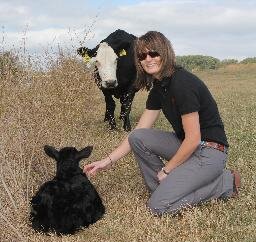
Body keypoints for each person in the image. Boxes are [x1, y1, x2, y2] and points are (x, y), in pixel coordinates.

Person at [84, 31, 241, 216]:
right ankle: (165, 189)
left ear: (165, 52)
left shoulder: (182, 84)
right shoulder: (159, 86)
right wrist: (107, 161)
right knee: (138, 137)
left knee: (158, 206)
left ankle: (224, 183)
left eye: (153, 53)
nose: (147, 59)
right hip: (188, 148)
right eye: (142, 55)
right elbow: (139, 130)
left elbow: (193, 138)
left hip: (210, 152)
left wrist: (167, 170)